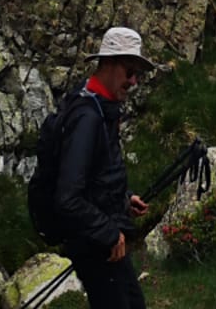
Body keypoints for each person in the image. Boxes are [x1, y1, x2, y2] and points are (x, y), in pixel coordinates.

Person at [57, 27, 155, 309]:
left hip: (102, 238)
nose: (134, 80)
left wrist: (123, 201)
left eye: (137, 73)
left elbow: (94, 178)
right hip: (97, 243)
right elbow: (68, 197)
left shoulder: (99, 108)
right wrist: (109, 232)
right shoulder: (88, 117)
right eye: (129, 71)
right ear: (109, 63)